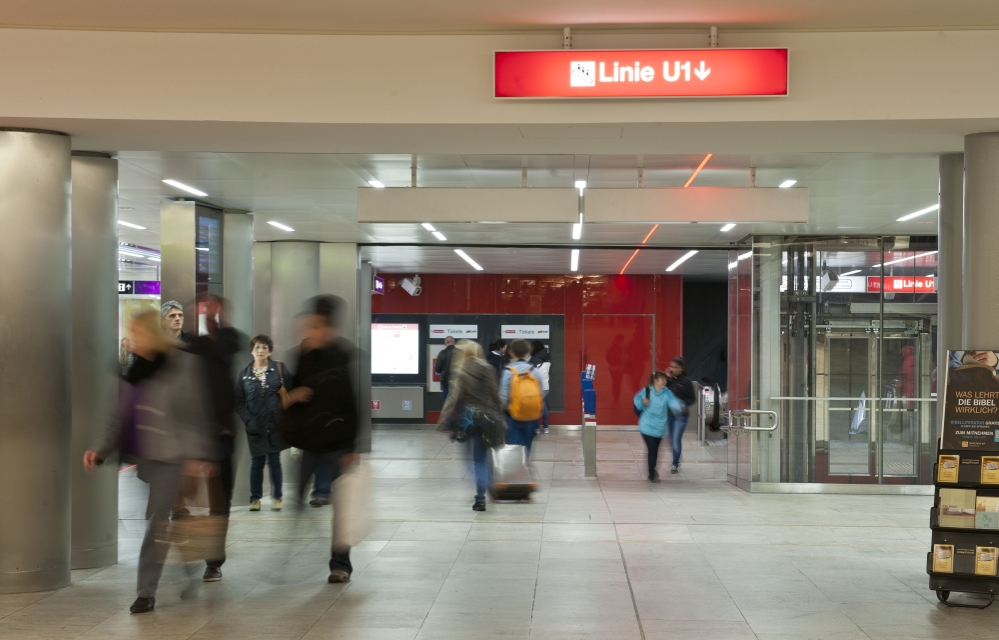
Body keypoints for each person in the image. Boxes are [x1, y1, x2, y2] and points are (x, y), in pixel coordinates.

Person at [83, 310, 219, 614]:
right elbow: (117, 417)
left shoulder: (183, 363)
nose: (132, 341)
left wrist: (200, 455)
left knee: (156, 521)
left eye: (138, 334)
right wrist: (99, 448)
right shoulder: (131, 372)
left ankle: (145, 592)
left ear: (151, 334)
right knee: (164, 523)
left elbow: (197, 413)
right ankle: (189, 568)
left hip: (173, 456)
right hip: (143, 456)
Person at [283, 295, 360, 584]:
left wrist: (353, 447)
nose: (308, 332)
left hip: (337, 444)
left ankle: (340, 564)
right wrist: (293, 396)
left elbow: (351, 402)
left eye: (313, 326)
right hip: (309, 443)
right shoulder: (303, 356)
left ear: (327, 328)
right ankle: (297, 554)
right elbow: (292, 393)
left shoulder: (343, 356)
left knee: (342, 509)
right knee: (297, 500)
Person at [185, 294, 244, 582]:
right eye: (203, 307)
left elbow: (224, 350)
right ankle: (189, 547)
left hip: (222, 433)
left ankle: (214, 560)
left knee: (220, 499)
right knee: (190, 497)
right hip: (193, 432)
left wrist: (212, 323)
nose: (207, 311)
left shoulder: (230, 338)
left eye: (212, 307)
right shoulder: (193, 344)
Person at [438, 341, 502, 512]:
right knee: (483, 456)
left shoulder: (461, 371)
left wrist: (442, 420)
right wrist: (501, 415)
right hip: (487, 418)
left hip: (467, 419)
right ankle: (485, 488)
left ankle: (481, 493)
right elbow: (495, 395)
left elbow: (452, 399)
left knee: (471, 459)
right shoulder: (488, 369)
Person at [235, 334, 290, 512]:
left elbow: (290, 393)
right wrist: (249, 420)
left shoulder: (279, 370)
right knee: (256, 462)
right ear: (251, 350)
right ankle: (255, 498)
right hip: (255, 426)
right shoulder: (244, 374)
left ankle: (277, 497)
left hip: (275, 425)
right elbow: (238, 401)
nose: (260, 351)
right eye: (257, 347)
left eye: (264, 347)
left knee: (275, 461)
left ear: (270, 351)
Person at [634, 371, 684, 482]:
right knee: (652, 449)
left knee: (656, 450)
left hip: (660, 427)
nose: (664, 381)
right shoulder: (646, 391)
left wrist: (679, 411)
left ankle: (652, 469)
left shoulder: (667, 393)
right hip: (646, 425)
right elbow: (636, 400)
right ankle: (651, 474)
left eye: (665, 379)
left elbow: (673, 403)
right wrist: (643, 402)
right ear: (655, 380)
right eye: (662, 379)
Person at [499, 339, 544, 456]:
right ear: (527, 353)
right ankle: (524, 470)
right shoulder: (535, 371)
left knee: (513, 451)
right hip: (532, 417)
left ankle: (516, 472)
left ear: (511, 353)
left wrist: (501, 415)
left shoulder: (508, 371)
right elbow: (542, 394)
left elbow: (503, 397)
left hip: (513, 417)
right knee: (526, 449)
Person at [665, 357, 696, 474]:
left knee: (676, 439)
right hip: (669, 415)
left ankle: (675, 463)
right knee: (670, 439)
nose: (673, 369)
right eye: (671, 366)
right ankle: (676, 455)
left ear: (682, 368)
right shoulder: (668, 380)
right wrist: (667, 378)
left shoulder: (686, 381)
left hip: (681, 416)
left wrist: (684, 405)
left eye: (675, 367)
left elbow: (692, 398)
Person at [530, 341, 551, 435]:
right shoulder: (547, 357)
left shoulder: (534, 359)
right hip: (546, 386)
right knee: (544, 406)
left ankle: (536, 428)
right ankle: (546, 427)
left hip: (537, 386)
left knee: (536, 407)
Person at [435, 335, 457, 403]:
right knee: (459, 404)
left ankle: (449, 414)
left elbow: (437, 369)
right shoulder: (461, 353)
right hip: (458, 383)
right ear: (454, 342)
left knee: (447, 404)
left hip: (446, 383)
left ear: (445, 343)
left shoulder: (442, 353)